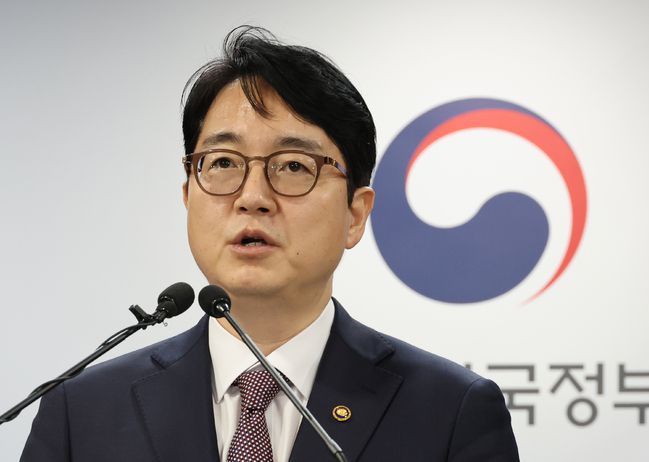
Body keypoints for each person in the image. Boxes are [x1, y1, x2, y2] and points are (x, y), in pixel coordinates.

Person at [21, 26, 520, 461]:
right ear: (188, 195)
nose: (253, 198)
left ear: (355, 214)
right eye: (222, 163)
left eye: (294, 167)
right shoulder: (80, 413)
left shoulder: (450, 413)